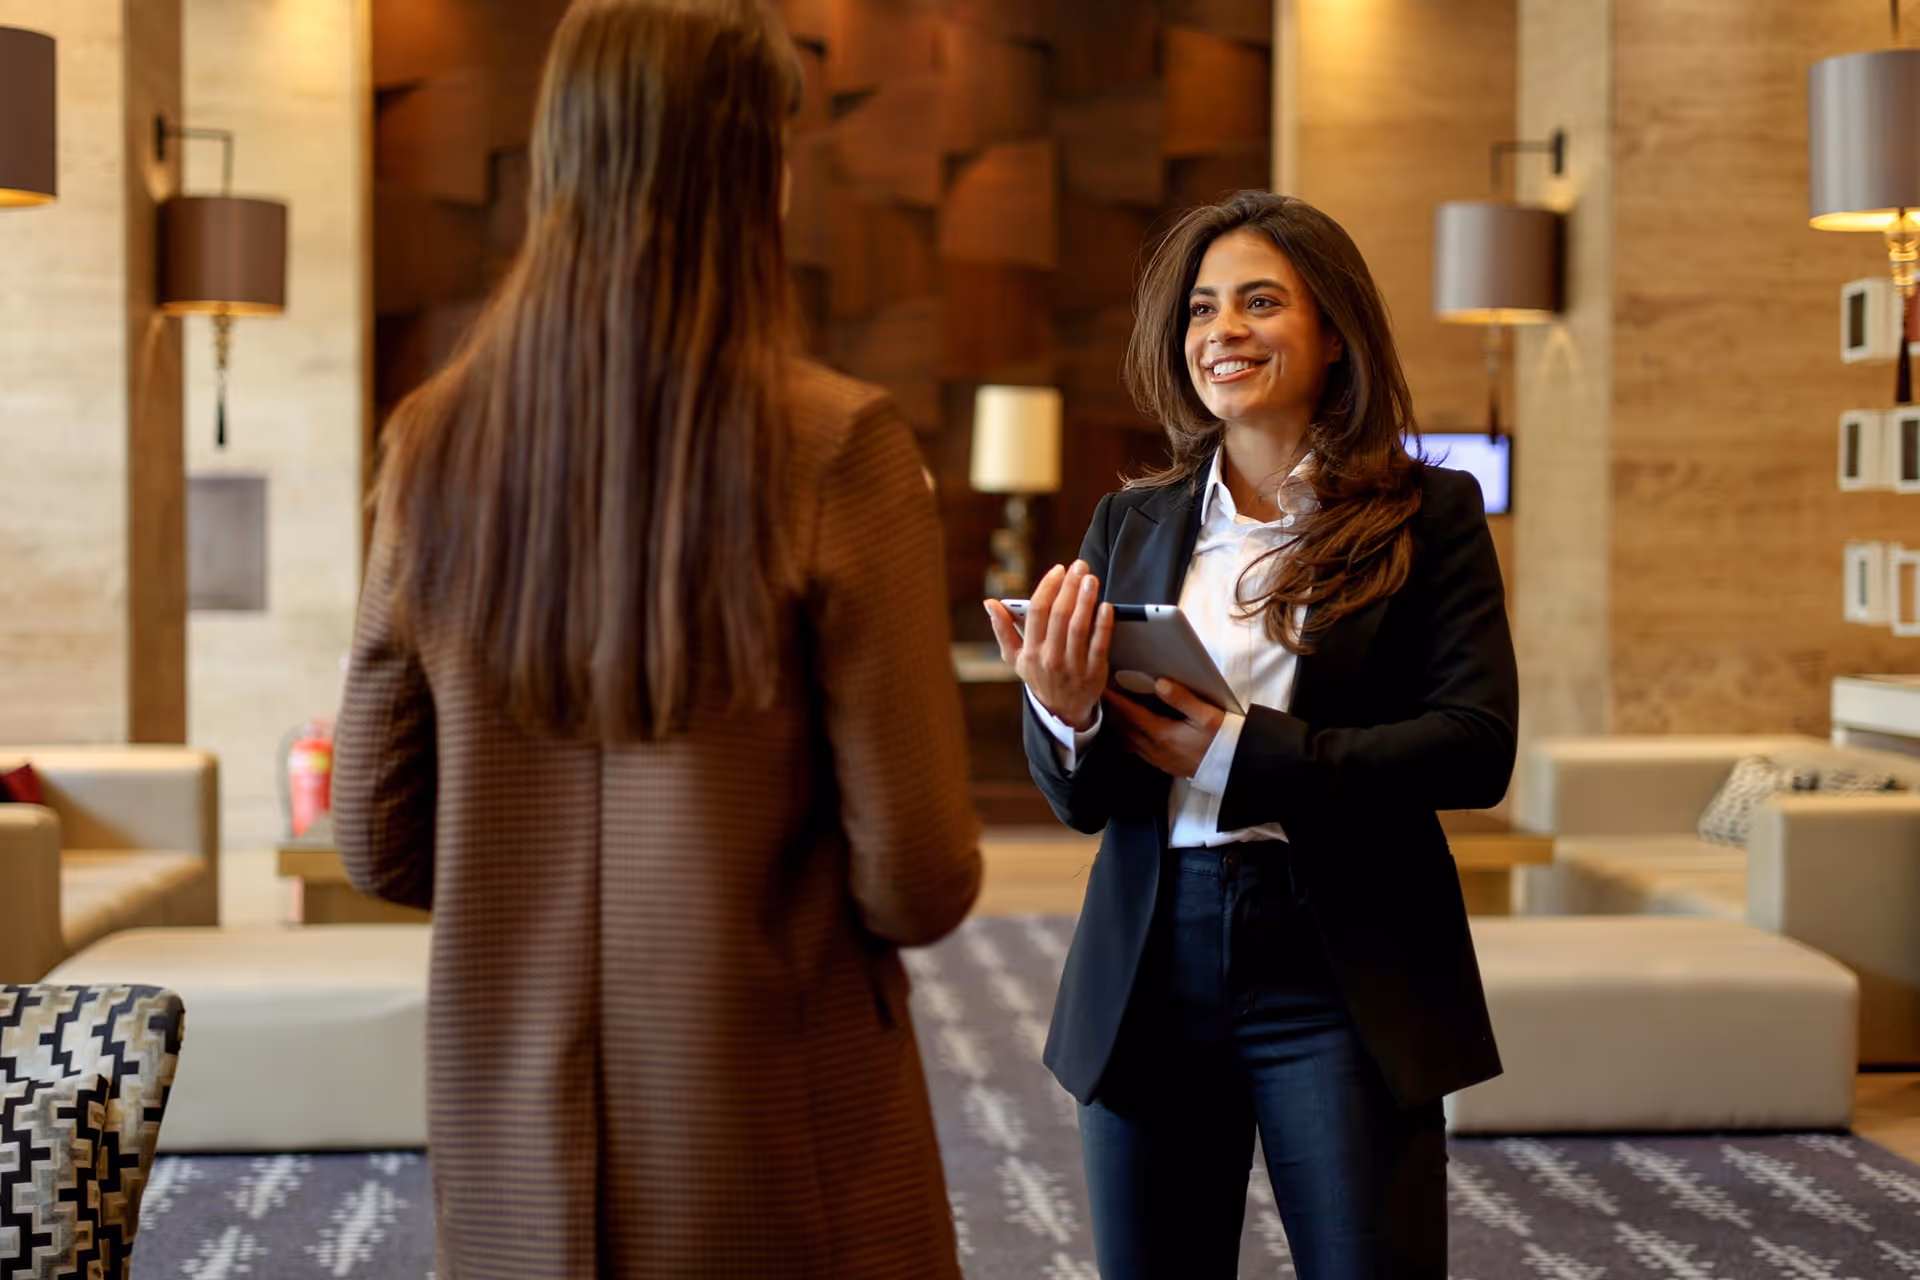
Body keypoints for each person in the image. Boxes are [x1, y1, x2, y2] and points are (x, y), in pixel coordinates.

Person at [332, 2, 981, 1276]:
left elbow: (376, 836)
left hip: (516, 1149)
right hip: (774, 1145)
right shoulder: (836, 446)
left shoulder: (431, 443)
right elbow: (917, 875)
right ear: (754, 172)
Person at [985, 191, 1519, 1279]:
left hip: (1343, 956)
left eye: (1260, 302)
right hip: (1151, 955)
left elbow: (1476, 744)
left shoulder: (1432, 513)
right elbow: (1081, 797)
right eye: (1200, 309)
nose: (1220, 331)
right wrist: (1064, 705)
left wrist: (1238, 754)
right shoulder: (1128, 522)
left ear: (1334, 332)